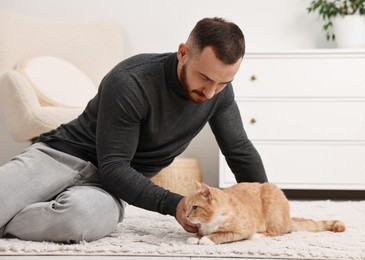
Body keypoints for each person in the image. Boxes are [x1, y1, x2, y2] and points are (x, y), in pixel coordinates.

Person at [0, 17, 267, 243]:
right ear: (183, 53)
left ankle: (8, 221)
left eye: (223, 83)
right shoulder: (131, 80)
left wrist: (267, 204)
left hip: (110, 190)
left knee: (80, 219)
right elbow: (114, 165)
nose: (211, 92)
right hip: (60, 157)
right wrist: (172, 203)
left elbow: (239, 150)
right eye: (205, 78)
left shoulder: (220, 94)